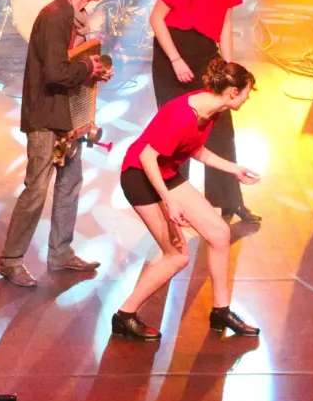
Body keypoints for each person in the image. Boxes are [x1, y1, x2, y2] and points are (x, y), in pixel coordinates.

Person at [111, 58, 262, 340]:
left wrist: (234, 169)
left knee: (219, 234)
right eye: (247, 92)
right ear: (233, 92)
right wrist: (169, 201)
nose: (247, 98)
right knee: (177, 256)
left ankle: (221, 311)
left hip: (165, 173)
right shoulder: (184, 113)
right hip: (140, 176)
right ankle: (124, 315)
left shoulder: (211, 110)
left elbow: (194, 148)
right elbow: (147, 157)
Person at [0, 0, 114, 287]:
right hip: (46, 115)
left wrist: (93, 71)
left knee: (70, 182)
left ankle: (60, 252)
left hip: (66, 115)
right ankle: (11, 260)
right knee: (36, 189)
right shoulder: (55, 17)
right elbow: (55, 73)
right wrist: (87, 66)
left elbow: (72, 68)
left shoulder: (75, 17)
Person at [148, 0, 257, 223]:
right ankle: (175, 204)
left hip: (206, 54)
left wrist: (229, 66)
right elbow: (156, 19)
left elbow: (225, 22)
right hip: (173, 54)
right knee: (177, 132)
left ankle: (229, 201)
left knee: (220, 128)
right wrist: (176, 60)